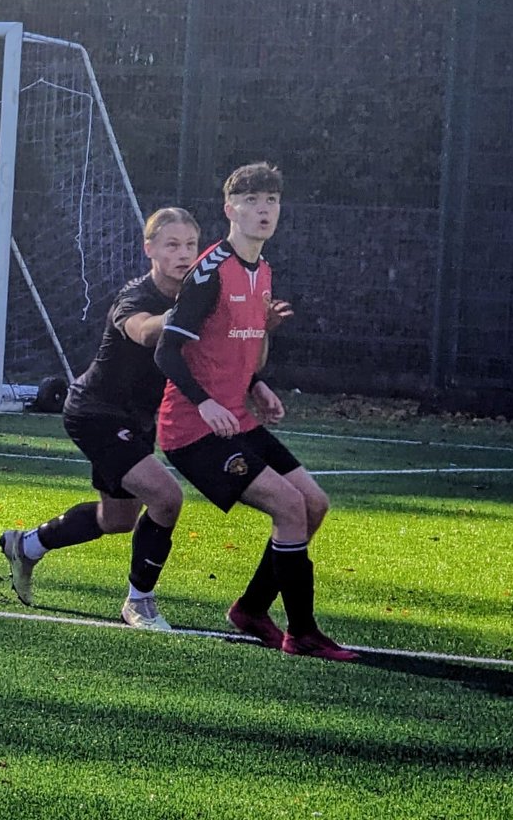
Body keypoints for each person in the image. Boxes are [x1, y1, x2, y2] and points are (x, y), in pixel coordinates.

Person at [154, 163, 357, 661]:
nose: (263, 210)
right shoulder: (208, 272)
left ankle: (249, 609)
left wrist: (258, 384)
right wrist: (203, 402)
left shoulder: (262, 270)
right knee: (289, 508)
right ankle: (302, 631)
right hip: (192, 429)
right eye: (251, 201)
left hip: (237, 417)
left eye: (271, 200)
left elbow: (233, 347)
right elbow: (166, 351)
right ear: (230, 210)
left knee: (314, 505)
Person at [0, 207, 201, 632]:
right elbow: (145, 331)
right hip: (95, 413)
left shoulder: (197, 294)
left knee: (118, 520)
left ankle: (27, 545)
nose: (183, 254)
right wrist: (185, 314)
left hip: (136, 421)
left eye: (190, 245)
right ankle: (139, 603)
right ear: (150, 250)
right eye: (172, 245)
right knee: (166, 498)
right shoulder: (136, 296)